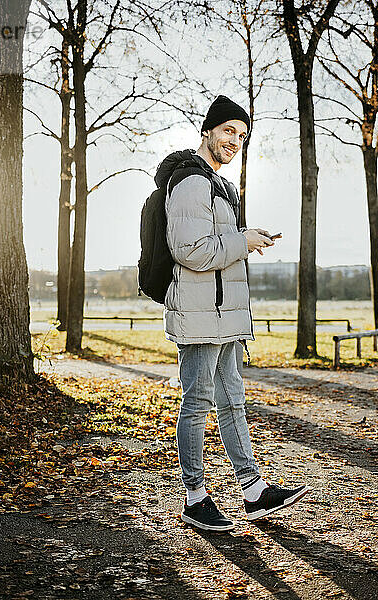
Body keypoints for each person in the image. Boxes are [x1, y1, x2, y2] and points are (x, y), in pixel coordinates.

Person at [154, 95, 310, 531]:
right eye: (228, 131)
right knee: (197, 403)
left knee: (232, 402)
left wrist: (246, 236)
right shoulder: (190, 181)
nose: (235, 140)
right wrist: (244, 242)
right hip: (199, 314)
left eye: (242, 135)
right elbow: (191, 251)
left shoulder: (221, 186)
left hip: (223, 315)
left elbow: (218, 244)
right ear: (208, 131)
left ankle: (254, 492)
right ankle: (194, 497)